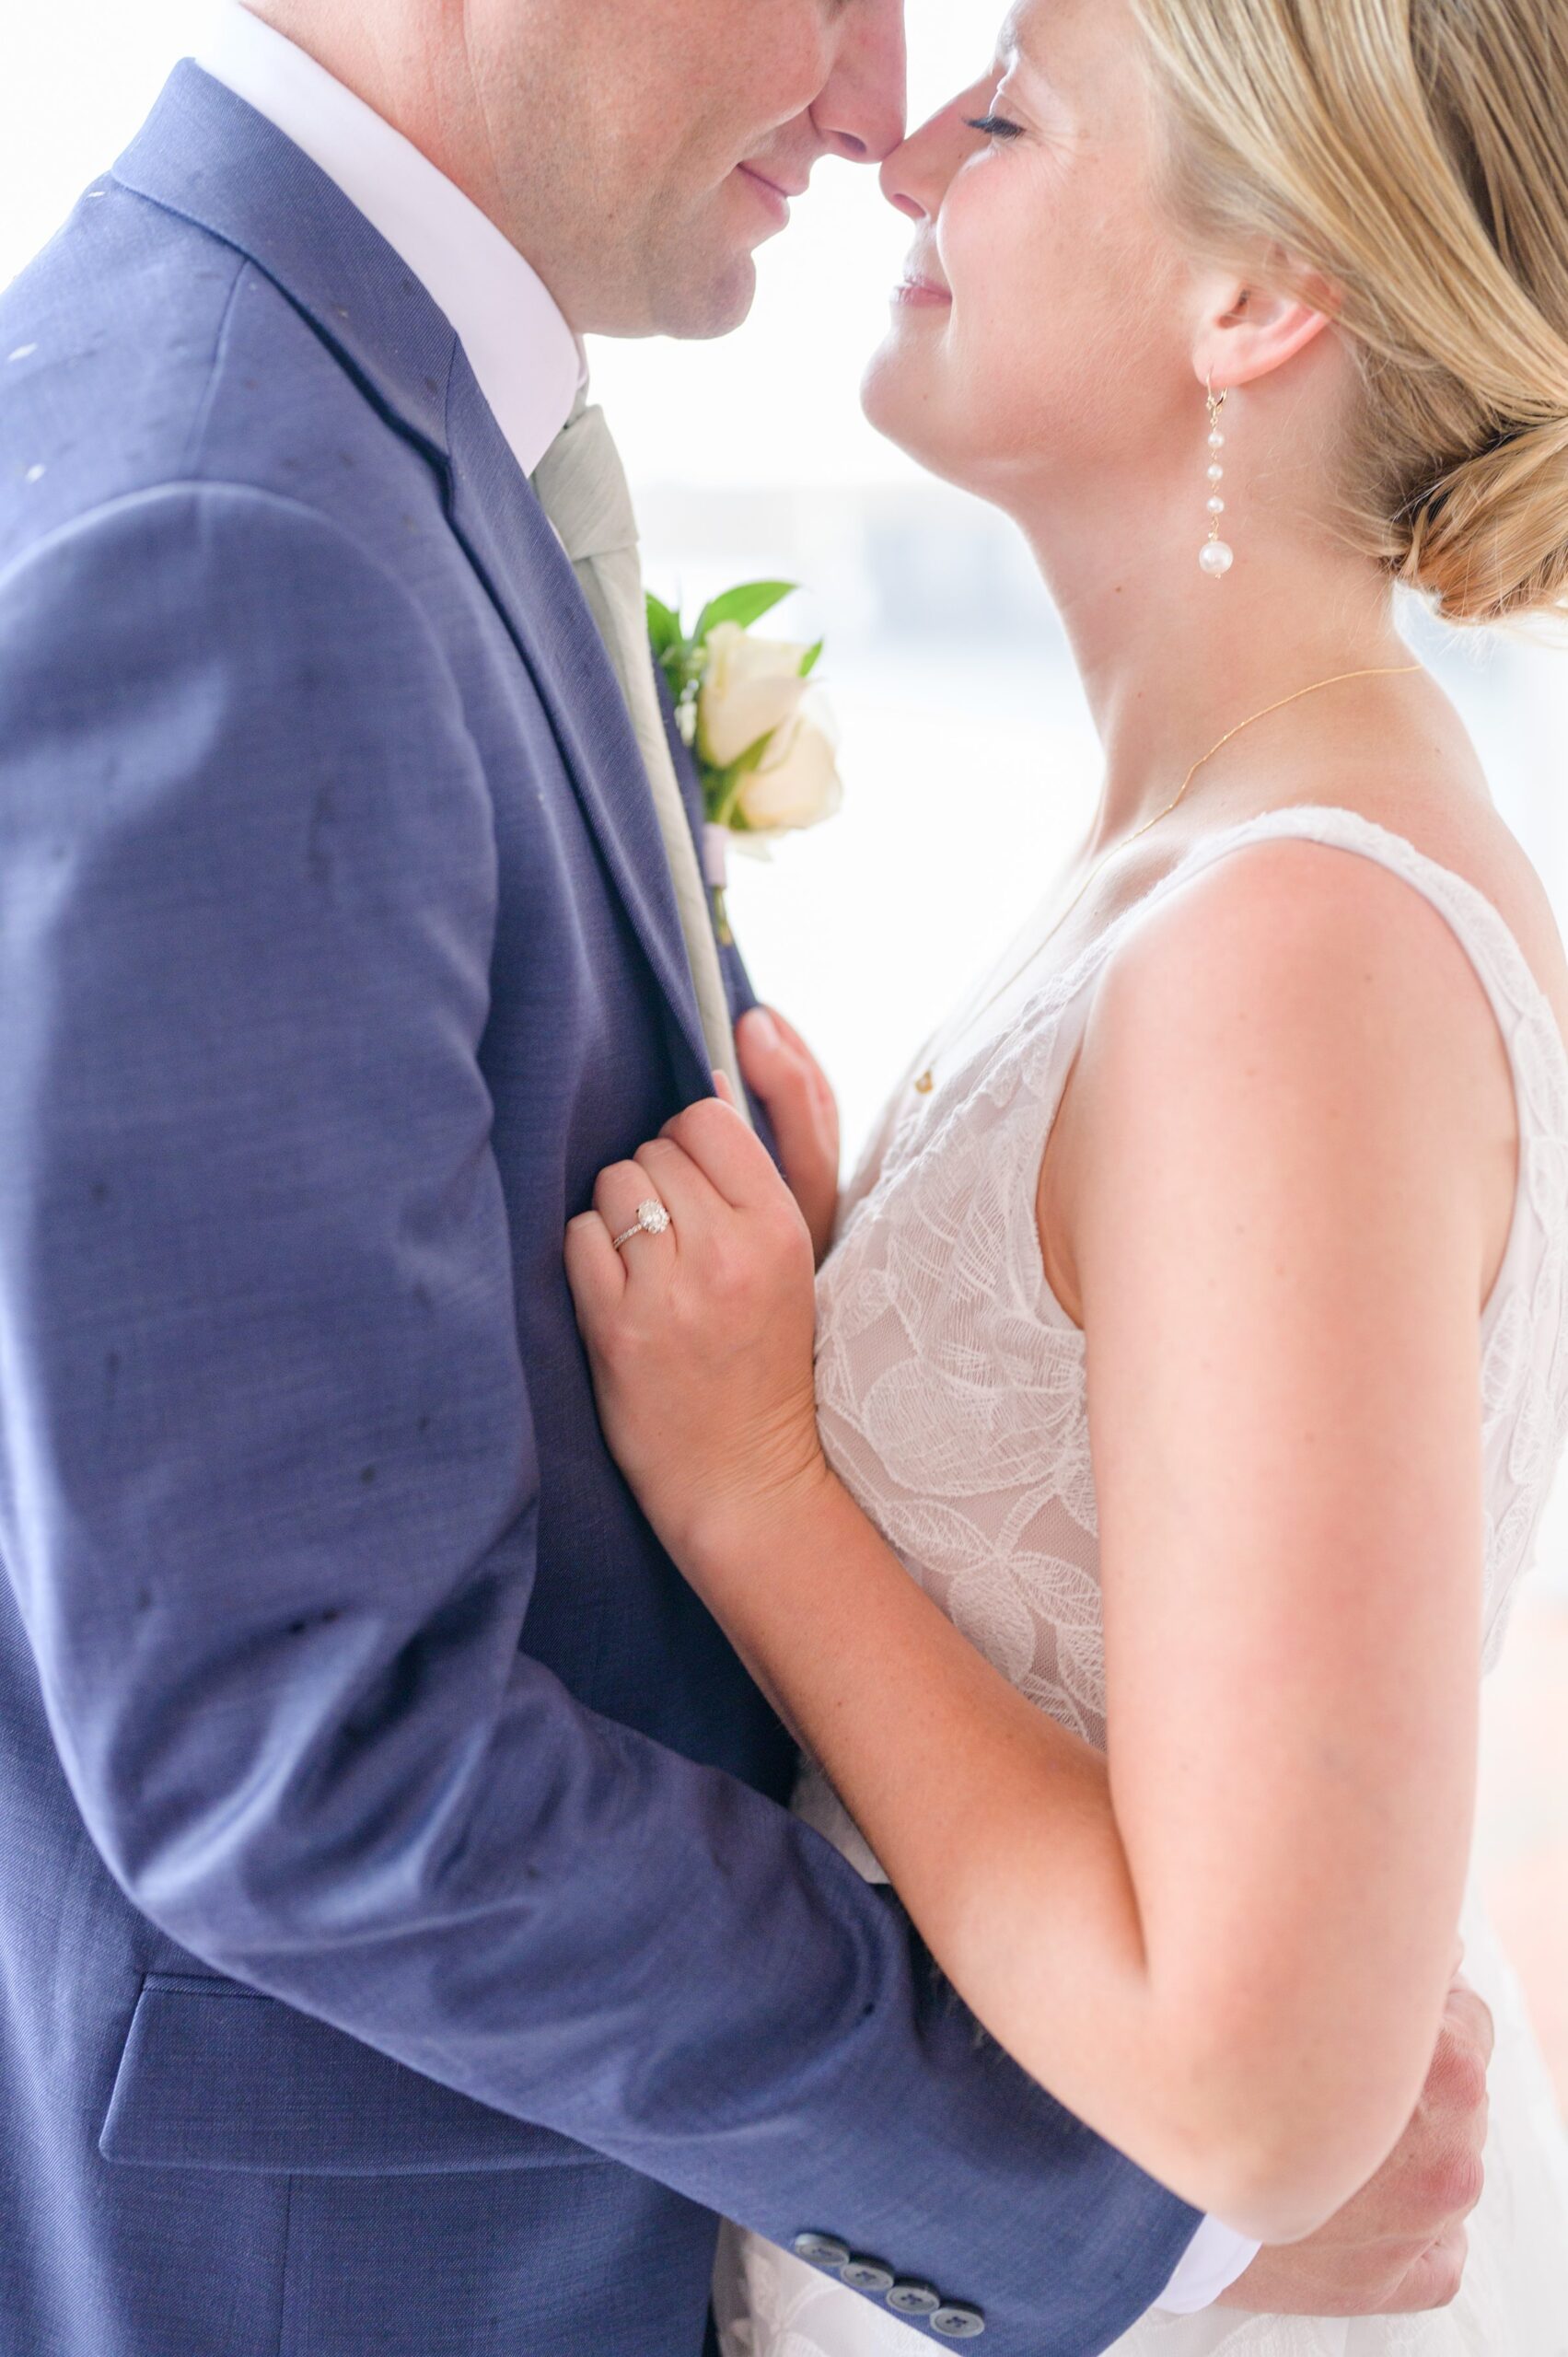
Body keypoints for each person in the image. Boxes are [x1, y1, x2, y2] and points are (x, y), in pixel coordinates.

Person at [0, 0, 1488, 2351]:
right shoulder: (241, 508)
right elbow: (292, 1736)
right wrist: (1121, 2208)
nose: (884, 114)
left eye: (999, 100)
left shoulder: (347, 433)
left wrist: (774, 1426)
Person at [566, 0, 1568, 2351]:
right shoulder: (1212, 865)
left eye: (1007, 115)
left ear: (1256, 300)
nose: (902, 158)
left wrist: (764, 1479)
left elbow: (1252, 2083)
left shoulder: (1292, 942)